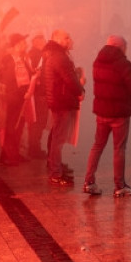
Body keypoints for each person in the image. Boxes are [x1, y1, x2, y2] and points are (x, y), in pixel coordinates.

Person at [83, 36, 131, 198]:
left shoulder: (98, 61)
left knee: (97, 145)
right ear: (120, 47)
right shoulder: (123, 64)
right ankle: (119, 186)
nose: (126, 50)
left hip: (102, 112)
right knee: (119, 149)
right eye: (125, 47)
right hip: (119, 113)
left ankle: (89, 182)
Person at [41, 29, 85, 187]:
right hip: (61, 101)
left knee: (57, 137)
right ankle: (55, 173)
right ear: (57, 39)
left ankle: (56, 168)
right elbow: (69, 79)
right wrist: (80, 90)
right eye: (66, 38)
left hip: (59, 100)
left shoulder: (55, 54)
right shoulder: (59, 56)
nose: (70, 40)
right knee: (58, 139)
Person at [0, 33, 31, 166]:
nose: (25, 45)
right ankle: (7, 156)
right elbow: (8, 81)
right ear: (16, 46)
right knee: (11, 128)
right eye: (23, 43)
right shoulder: (9, 61)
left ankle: (14, 153)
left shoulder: (21, 59)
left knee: (18, 128)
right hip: (13, 99)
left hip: (21, 98)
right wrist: (19, 92)